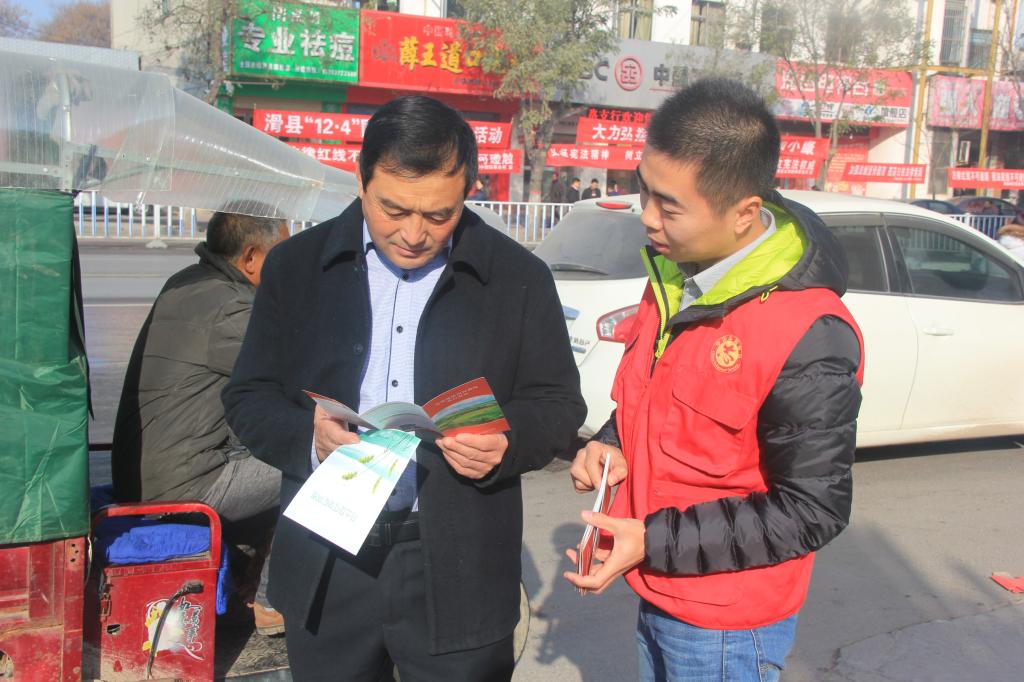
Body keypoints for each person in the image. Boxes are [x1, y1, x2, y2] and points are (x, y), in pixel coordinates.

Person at [222, 95, 585, 681]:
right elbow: (248, 395)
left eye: (439, 215)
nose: (414, 234)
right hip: (330, 556)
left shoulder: (516, 277)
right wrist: (309, 439)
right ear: (361, 179)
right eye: (393, 209)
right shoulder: (297, 268)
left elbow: (559, 402)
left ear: (468, 191)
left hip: (458, 560)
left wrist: (508, 443)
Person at [564, 78, 864, 681]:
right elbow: (655, 399)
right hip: (658, 586)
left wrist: (652, 540)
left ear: (744, 213)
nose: (646, 217)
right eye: (644, 191)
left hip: (727, 625)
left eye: (669, 206)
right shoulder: (677, 277)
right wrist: (611, 442)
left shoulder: (807, 330)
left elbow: (812, 509)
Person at [112, 210, 291, 634]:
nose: (290, 265)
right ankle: (273, 600)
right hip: (186, 482)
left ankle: (247, 576)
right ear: (251, 258)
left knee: (276, 443)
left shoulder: (188, 282)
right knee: (318, 462)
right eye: (283, 255)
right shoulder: (230, 307)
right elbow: (292, 372)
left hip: (147, 474)